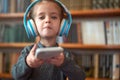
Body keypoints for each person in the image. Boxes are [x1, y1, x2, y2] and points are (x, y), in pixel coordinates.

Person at [11, 0, 86, 80]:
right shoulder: (28, 52)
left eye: (53, 17)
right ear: (33, 26)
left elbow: (80, 77)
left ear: (61, 25)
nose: (47, 20)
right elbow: (16, 75)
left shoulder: (64, 55)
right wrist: (28, 63)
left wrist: (64, 63)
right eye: (41, 17)